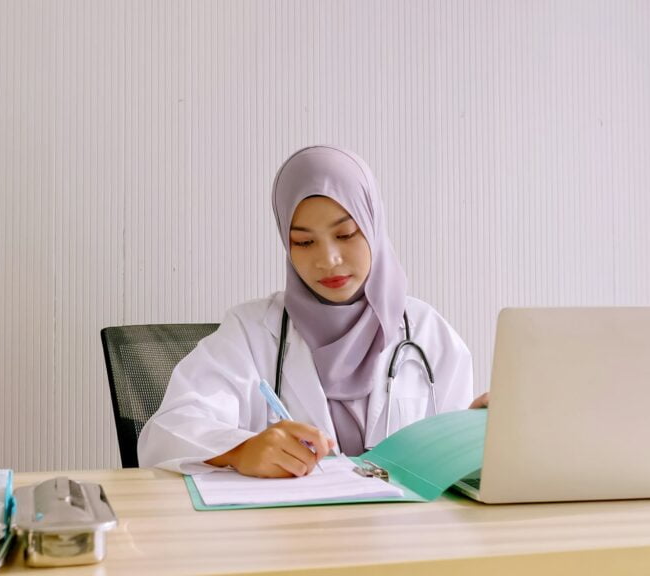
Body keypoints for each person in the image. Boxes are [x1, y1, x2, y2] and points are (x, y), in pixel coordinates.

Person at [138, 146, 486, 477]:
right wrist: (239, 450)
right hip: (291, 534)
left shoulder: (428, 333)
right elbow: (166, 433)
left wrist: (476, 436)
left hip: (405, 535)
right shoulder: (251, 331)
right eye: (304, 242)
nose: (328, 259)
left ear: (373, 227)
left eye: (346, 234)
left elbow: (454, 472)